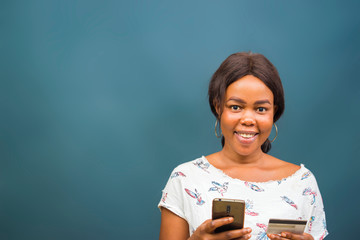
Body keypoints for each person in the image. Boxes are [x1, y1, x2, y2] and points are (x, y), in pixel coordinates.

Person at [158, 52, 328, 240]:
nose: (248, 119)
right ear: (217, 107)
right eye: (235, 107)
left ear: (274, 112)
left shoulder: (302, 183)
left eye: (261, 109)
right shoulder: (185, 178)